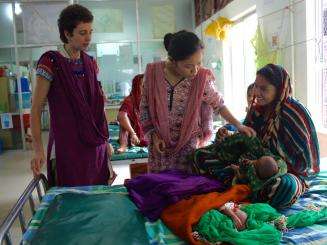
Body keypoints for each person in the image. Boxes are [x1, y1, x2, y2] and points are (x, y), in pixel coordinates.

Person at [140, 30, 256, 173]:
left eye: (199, 63)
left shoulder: (201, 78)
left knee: (186, 187)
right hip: (159, 145)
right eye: (188, 66)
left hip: (188, 144)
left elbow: (218, 104)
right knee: (160, 187)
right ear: (173, 60)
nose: (195, 70)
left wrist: (238, 125)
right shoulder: (153, 74)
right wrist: (153, 135)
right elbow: (144, 108)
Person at [30, 4, 115, 186]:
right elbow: (36, 109)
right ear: (67, 34)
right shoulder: (50, 62)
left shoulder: (90, 63)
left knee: (95, 201)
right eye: (82, 33)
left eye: (90, 32)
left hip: (94, 146)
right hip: (66, 146)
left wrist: (106, 141)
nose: (88, 38)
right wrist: (37, 150)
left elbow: (98, 107)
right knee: (71, 202)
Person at [244, 63, 320, 208]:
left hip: (291, 172)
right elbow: (247, 143)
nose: (257, 93)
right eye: (255, 86)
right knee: (214, 160)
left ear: (279, 89)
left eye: (264, 89)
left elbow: (304, 162)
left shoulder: (294, 112)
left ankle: (254, 188)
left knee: (283, 187)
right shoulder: (257, 111)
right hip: (256, 165)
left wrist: (275, 162)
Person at [116, 74, 148, 154]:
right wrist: (133, 133)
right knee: (123, 125)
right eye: (142, 85)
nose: (145, 88)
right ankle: (123, 145)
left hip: (147, 136)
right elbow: (121, 116)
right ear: (136, 86)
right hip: (134, 137)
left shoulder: (149, 99)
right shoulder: (129, 100)